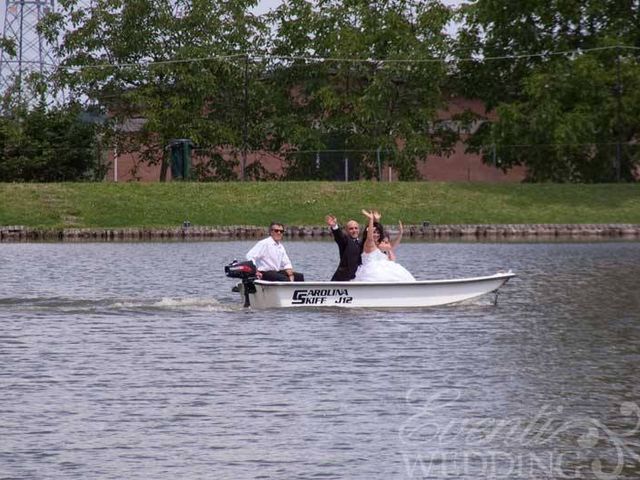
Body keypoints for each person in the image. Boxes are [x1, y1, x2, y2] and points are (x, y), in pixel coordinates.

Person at [354, 210, 416, 282]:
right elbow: (370, 236)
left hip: (381, 271)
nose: (376, 235)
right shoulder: (368, 244)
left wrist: (400, 233)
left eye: (378, 233)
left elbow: (392, 246)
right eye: (374, 233)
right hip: (371, 272)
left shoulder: (378, 245)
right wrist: (371, 220)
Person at [325, 214, 361, 281]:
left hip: (360, 278)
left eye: (356, 228)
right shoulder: (345, 241)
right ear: (346, 231)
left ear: (359, 230)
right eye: (351, 229)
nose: (354, 230)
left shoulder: (362, 243)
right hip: (343, 279)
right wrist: (334, 226)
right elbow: (339, 237)